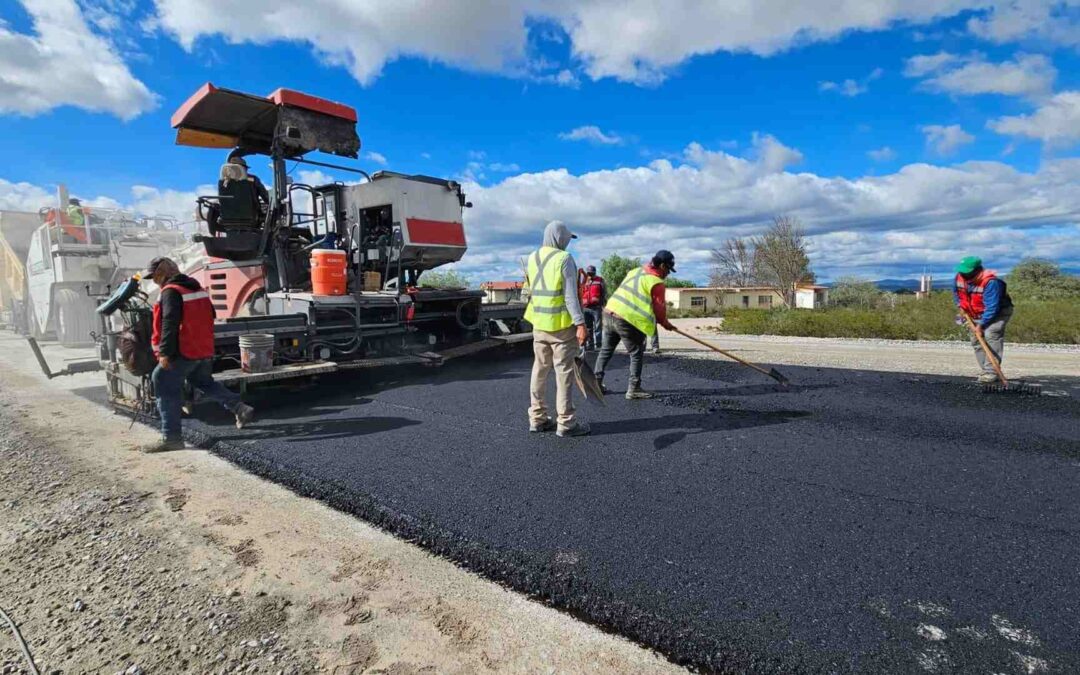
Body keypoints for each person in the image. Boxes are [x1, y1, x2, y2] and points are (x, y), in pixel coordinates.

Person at [144, 257, 254, 452]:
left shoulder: (171, 292)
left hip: (183, 351)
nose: (154, 280)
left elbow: (169, 323)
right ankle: (238, 407)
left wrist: (165, 353)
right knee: (204, 382)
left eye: (154, 276)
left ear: (162, 273)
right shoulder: (198, 289)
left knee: (162, 381)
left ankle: (171, 438)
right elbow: (210, 315)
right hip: (202, 349)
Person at [525, 221, 590, 438]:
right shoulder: (564, 259)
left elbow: (529, 292)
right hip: (561, 327)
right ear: (559, 237)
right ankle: (566, 423)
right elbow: (571, 297)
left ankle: (537, 418)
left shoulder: (532, 258)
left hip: (538, 324)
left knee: (540, 369)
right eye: (567, 239)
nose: (567, 243)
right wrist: (580, 323)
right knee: (564, 373)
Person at [594, 251, 677, 400]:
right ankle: (634, 388)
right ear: (662, 266)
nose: (668, 274)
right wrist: (666, 323)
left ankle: (596, 383)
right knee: (636, 353)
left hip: (609, 313)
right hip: (626, 320)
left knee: (606, 350)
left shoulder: (635, 271)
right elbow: (659, 310)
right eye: (668, 270)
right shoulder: (656, 282)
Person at [953, 255, 1014, 384]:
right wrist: (960, 306)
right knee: (976, 340)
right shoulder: (959, 277)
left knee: (991, 334)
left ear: (977, 270)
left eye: (966, 272)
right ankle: (986, 371)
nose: (963, 274)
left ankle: (992, 372)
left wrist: (980, 325)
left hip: (998, 313)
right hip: (973, 313)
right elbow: (957, 294)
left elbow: (992, 307)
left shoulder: (991, 283)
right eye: (962, 271)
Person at [227, 150, 271, 215]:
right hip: (252, 216)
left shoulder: (225, 181)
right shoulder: (253, 179)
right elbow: (266, 197)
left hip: (228, 217)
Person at [580, 265, 606, 350]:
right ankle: (590, 345)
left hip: (596, 308)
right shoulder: (584, 281)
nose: (590, 275)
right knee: (588, 328)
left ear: (595, 272)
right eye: (589, 273)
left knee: (598, 328)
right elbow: (580, 292)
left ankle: (598, 345)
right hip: (586, 308)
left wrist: (603, 305)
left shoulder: (600, 280)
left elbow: (604, 293)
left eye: (592, 273)